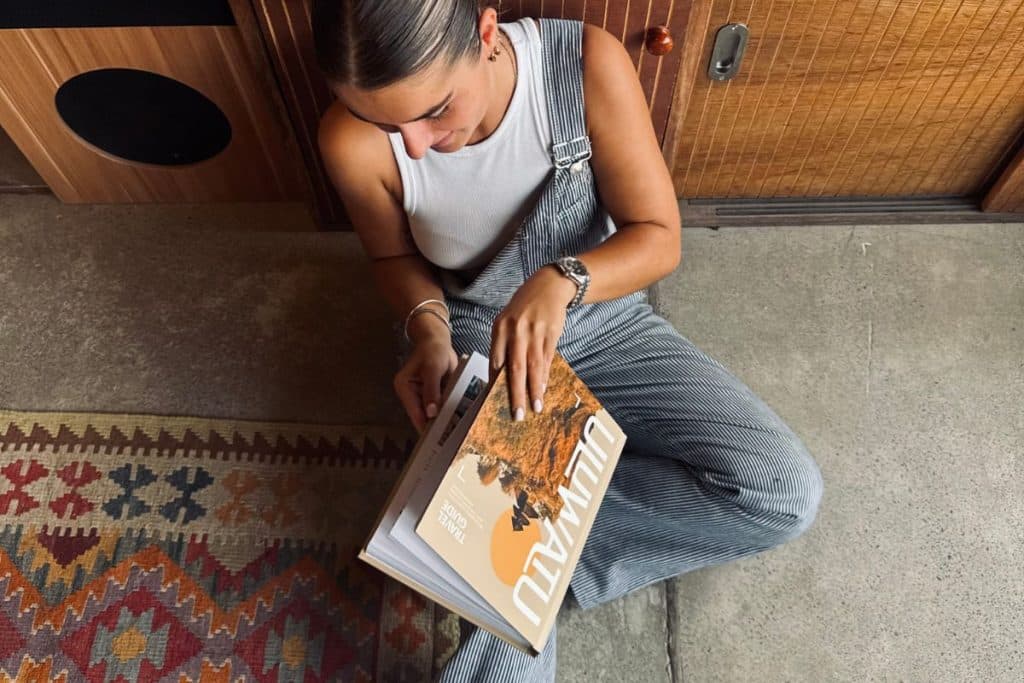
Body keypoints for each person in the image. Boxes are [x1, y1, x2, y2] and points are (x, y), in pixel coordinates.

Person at [313, 2, 824, 680]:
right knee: (499, 574)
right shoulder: (348, 141)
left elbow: (657, 235)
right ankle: (516, 542)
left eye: (435, 109)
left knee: (780, 489)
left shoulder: (583, 66)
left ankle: (507, 543)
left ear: (486, 36)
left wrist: (565, 278)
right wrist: (428, 329)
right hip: (475, 330)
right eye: (385, 122)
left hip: (603, 319)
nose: (413, 143)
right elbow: (392, 261)